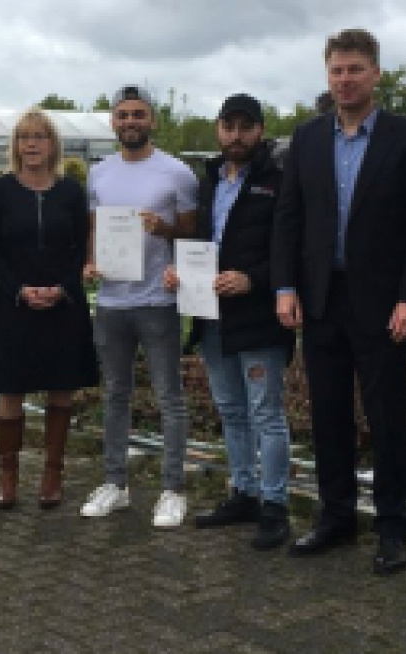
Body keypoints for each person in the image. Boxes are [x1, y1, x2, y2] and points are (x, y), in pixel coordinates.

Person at [271, 29, 406, 573]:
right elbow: (289, 220)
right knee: (328, 415)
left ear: (376, 74)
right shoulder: (306, 139)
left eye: (355, 70)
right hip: (321, 299)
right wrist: (285, 286)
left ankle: (393, 526)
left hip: (383, 302)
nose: (345, 80)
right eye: (337, 71)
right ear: (327, 76)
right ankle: (337, 515)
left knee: (388, 416)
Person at [163, 95, 294, 547]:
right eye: (228, 126)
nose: (236, 136)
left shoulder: (278, 181)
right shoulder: (209, 180)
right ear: (218, 129)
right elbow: (200, 239)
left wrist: (254, 280)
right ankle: (244, 492)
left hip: (257, 315)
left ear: (259, 129)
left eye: (245, 126)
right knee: (232, 410)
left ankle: (275, 505)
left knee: (266, 413)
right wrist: (180, 271)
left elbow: (288, 246)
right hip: (211, 313)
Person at [80, 85, 197, 528]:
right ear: (113, 121)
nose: (130, 121)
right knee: (114, 395)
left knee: (169, 397)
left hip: (158, 300)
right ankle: (115, 483)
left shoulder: (177, 173)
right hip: (111, 301)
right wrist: (91, 261)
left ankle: (172, 489)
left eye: (138, 114)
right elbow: (95, 228)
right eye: (123, 114)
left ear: (152, 120)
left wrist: (163, 227)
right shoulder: (99, 173)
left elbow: (191, 235)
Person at [0, 109, 99, 510]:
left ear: (52, 145)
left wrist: (62, 287)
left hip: (63, 304)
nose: (31, 144)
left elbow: (81, 246)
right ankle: (8, 477)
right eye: (24, 137)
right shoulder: (0, 192)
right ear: (15, 145)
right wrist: (21, 289)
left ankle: (52, 474)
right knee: (11, 390)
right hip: (15, 303)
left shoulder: (70, 192)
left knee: (60, 389)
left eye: (39, 137)